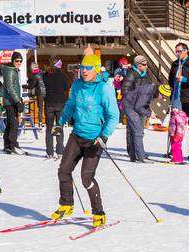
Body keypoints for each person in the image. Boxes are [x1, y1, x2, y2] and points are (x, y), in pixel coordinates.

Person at [51, 47, 119, 226]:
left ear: (96, 69)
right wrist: (60, 123)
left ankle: (99, 213)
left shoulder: (104, 89)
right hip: (77, 135)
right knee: (63, 170)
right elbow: (71, 105)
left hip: (94, 139)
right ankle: (66, 204)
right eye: (82, 68)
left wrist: (104, 136)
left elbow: (114, 116)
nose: (84, 71)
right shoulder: (77, 85)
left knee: (86, 178)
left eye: (88, 68)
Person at [166, 42, 189, 159]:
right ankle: (174, 150)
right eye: (176, 51)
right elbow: (170, 80)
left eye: (179, 51)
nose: (177, 53)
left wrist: (185, 80)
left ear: (185, 51)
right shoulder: (175, 64)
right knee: (174, 125)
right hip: (176, 98)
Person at [120, 55, 156, 163]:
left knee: (139, 131)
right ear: (138, 65)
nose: (146, 66)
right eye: (144, 64)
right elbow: (125, 91)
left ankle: (137, 153)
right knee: (134, 131)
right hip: (132, 106)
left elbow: (148, 91)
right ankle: (136, 154)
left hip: (141, 106)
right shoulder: (131, 74)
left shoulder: (146, 76)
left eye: (146, 64)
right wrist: (135, 99)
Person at [42, 58, 71, 160]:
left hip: (49, 104)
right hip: (60, 104)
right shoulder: (62, 75)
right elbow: (66, 87)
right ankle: (60, 151)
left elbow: (41, 87)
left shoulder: (45, 75)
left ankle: (49, 152)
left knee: (49, 128)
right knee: (59, 127)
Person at [0, 53, 25, 154]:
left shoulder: (13, 70)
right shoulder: (10, 71)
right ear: (13, 60)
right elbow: (10, 88)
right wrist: (17, 101)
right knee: (14, 123)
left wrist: (19, 98)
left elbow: (15, 87)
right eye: (17, 61)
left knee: (10, 123)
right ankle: (13, 145)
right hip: (10, 101)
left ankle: (7, 146)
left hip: (12, 100)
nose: (19, 63)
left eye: (20, 61)